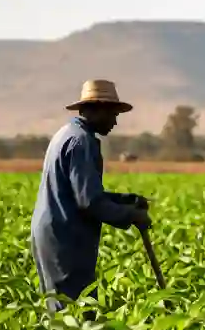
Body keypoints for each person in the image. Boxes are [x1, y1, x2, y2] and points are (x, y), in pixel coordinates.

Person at [30, 80, 152, 312]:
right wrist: (132, 216)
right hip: (65, 236)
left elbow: (84, 191)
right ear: (97, 109)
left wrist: (125, 200)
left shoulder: (67, 134)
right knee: (76, 312)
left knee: (63, 305)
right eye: (113, 114)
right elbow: (89, 202)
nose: (115, 121)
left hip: (54, 230)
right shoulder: (80, 141)